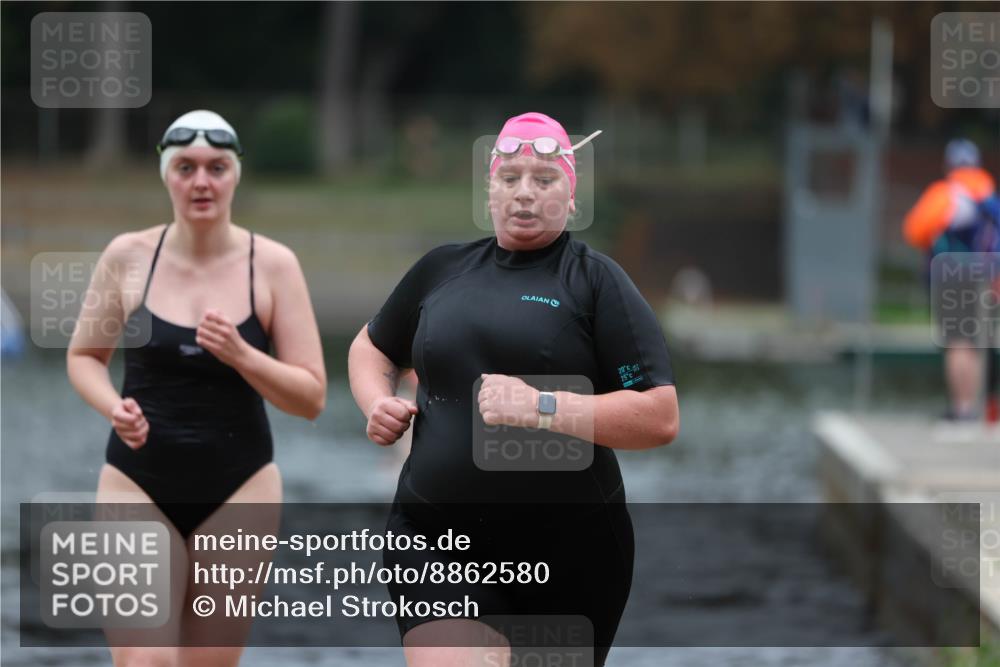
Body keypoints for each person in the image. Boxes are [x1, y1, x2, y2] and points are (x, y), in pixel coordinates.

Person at [348, 112, 679, 667]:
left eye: (544, 179)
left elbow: (659, 416)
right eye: (510, 178)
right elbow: (371, 347)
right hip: (433, 537)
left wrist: (540, 406)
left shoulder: (596, 283)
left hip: (569, 550)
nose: (525, 193)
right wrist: (376, 401)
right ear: (490, 190)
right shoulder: (442, 270)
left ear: (571, 194)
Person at [66, 110, 326, 666]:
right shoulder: (127, 256)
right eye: (185, 167)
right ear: (167, 176)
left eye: (216, 168)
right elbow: (84, 357)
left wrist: (242, 354)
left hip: (241, 488)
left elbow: (310, 398)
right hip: (135, 481)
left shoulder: (273, 265)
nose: (201, 182)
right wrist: (113, 407)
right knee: (146, 661)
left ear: (235, 176)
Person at [903, 138, 998, 421]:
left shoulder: (947, 194)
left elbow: (914, 231)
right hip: (985, 276)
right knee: (977, 343)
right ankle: (977, 407)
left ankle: (962, 408)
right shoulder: (988, 196)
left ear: (949, 165)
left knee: (957, 343)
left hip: (953, 274)